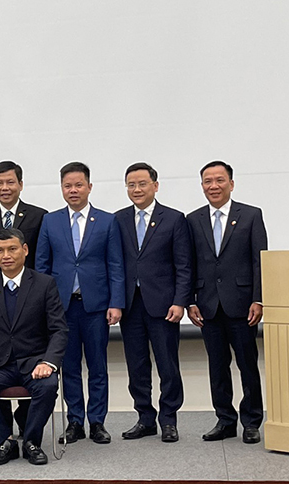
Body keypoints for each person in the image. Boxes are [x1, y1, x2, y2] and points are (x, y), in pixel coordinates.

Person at [36, 161, 125, 445]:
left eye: (78, 185)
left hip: (96, 306)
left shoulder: (108, 220)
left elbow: (115, 264)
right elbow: (42, 265)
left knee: (98, 366)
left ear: (89, 186)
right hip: (62, 308)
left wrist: (116, 302)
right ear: (61, 188)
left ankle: (97, 421)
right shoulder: (50, 221)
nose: (73, 190)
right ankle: (75, 421)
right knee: (70, 366)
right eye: (67, 186)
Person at [0, 228, 67, 465]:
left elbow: (59, 330)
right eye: (0, 250)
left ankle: (31, 442)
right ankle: (4, 441)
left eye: (12, 249)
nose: (6, 255)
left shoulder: (44, 284)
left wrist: (48, 362)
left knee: (48, 384)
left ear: (25, 250)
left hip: (34, 363)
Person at [186, 160, 266, 444]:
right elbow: (190, 263)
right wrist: (190, 300)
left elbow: (259, 261)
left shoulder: (251, 215)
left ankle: (252, 421)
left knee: (247, 364)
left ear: (231, 184)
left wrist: (259, 298)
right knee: (217, 366)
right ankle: (225, 420)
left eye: (219, 180)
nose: (213, 186)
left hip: (243, 304)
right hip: (207, 305)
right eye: (208, 181)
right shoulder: (193, 219)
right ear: (202, 186)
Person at [114, 162, 192, 443]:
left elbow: (184, 265)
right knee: (136, 365)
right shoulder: (118, 219)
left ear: (155, 186)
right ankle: (145, 418)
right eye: (131, 185)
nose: (136, 189)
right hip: (130, 305)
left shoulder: (173, 219)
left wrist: (180, 301)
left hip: (164, 306)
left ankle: (168, 420)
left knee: (168, 365)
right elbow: (115, 264)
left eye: (142, 184)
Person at [0, 160, 48, 439]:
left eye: (10, 182)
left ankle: (26, 421)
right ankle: (4, 431)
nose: (4, 188)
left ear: (20, 184)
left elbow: (42, 259)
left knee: (29, 364)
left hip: (30, 302)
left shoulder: (39, 216)